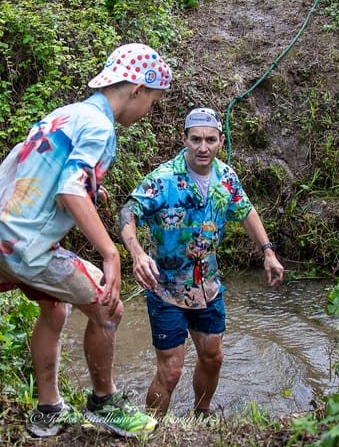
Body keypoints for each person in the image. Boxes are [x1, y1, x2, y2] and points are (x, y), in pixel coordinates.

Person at [0, 43, 172, 438]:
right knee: (109, 308)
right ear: (137, 89)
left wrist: (91, 189)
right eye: (153, 103)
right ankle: (105, 403)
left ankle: (48, 410)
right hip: (22, 243)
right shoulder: (102, 128)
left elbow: (43, 170)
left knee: (54, 309)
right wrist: (111, 254)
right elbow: (70, 190)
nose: (148, 113)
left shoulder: (69, 113)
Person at [118, 106, 285, 417]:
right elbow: (127, 213)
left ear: (221, 140)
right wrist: (137, 253)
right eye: (196, 139)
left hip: (207, 285)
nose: (203, 147)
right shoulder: (163, 179)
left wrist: (268, 251)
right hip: (165, 288)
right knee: (170, 370)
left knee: (213, 356)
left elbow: (246, 211)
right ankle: (153, 430)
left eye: (210, 140)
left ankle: (201, 415)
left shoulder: (226, 177)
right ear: (185, 139)